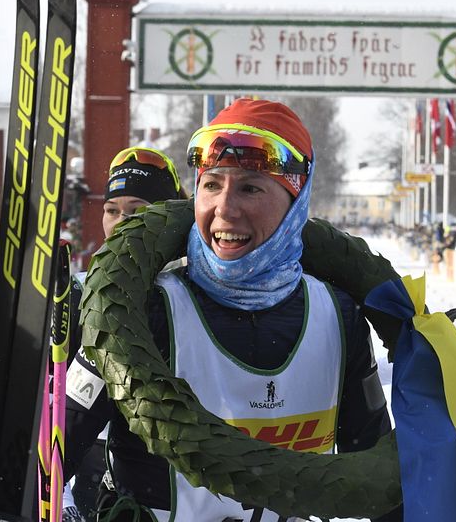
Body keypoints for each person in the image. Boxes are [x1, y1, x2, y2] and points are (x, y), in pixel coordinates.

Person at [63, 99, 396, 521]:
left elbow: (377, 472)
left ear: (295, 202)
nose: (224, 209)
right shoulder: (144, 312)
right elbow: (48, 457)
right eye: (212, 184)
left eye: (250, 187)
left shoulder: (338, 315)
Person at [61, 147, 186, 522]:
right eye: (112, 210)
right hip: (93, 468)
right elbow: (54, 411)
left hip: (176, 481)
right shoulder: (78, 295)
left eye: (137, 211)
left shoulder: (194, 294)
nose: (120, 222)